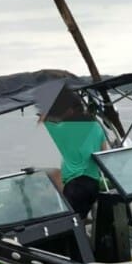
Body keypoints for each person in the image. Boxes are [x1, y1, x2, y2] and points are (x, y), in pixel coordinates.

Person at [40, 88, 109, 218]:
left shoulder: (63, 129)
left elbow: (42, 122)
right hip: (93, 184)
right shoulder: (96, 126)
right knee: (81, 218)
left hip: (75, 185)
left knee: (73, 221)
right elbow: (104, 153)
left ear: (69, 111)